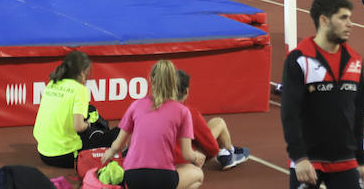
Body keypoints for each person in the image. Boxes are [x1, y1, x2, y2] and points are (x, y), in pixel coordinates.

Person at [280, 0, 364, 189]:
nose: (350, 24)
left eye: (350, 18)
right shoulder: (299, 60)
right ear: (324, 20)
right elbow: (289, 114)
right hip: (308, 160)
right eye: (343, 18)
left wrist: (360, 159)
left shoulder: (356, 60)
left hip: (346, 161)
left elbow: (358, 113)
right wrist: (299, 157)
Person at [101, 60, 205, 189]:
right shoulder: (182, 111)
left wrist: (108, 154)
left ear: (150, 79)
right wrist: (197, 156)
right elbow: (187, 154)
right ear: (174, 82)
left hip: (132, 177)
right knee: (198, 176)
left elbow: (117, 145)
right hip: (163, 177)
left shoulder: (136, 105)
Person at [34, 50, 119, 168]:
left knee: (89, 110)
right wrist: (88, 123)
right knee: (118, 133)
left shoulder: (52, 83)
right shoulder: (80, 90)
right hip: (66, 156)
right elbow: (79, 127)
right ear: (82, 72)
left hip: (43, 152)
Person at [173, 69, 249, 170]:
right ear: (186, 92)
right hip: (182, 164)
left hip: (152, 163)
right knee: (218, 122)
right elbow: (211, 147)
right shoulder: (188, 113)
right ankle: (228, 152)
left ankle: (228, 151)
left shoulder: (150, 109)